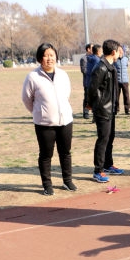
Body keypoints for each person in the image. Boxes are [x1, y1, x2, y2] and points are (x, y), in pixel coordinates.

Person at [21, 43, 76, 195]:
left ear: (56, 56)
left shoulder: (63, 75)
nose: (49, 58)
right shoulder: (33, 77)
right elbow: (26, 99)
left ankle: (67, 181)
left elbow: (67, 94)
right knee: (46, 155)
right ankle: (47, 184)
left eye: (52, 55)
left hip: (65, 121)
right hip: (44, 124)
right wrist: (39, 112)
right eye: (45, 56)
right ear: (40, 58)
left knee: (65, 152)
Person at [88, 39, 123, 183]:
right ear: (114, 52)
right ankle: (98, 170)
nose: (120, 54)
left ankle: (108, 165)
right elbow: (92, 88)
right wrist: (93, 104)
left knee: (110, 137)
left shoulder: (111, 66)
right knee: (103, 139)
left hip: (111, 109)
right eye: (119, 51)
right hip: (103, 109)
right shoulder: (101, 67)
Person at [114, 45, 130, 116]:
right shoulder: (115, 60)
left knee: (126, 96)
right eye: (119, 50)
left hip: (125, 81)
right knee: (116, 96)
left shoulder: (126, 59)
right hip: (117, 81)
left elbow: (126, 66)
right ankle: (116, 109)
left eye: (121, 50)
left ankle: (127, 110)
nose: (120, 51)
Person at [80, 43, 93, 119]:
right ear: (88, 49)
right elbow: (84, 70)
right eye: (92, 48)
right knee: (87, 98)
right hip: (87, 82)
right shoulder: (84, 59)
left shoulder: (95, 58)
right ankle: (86, 112)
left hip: (95, 82)